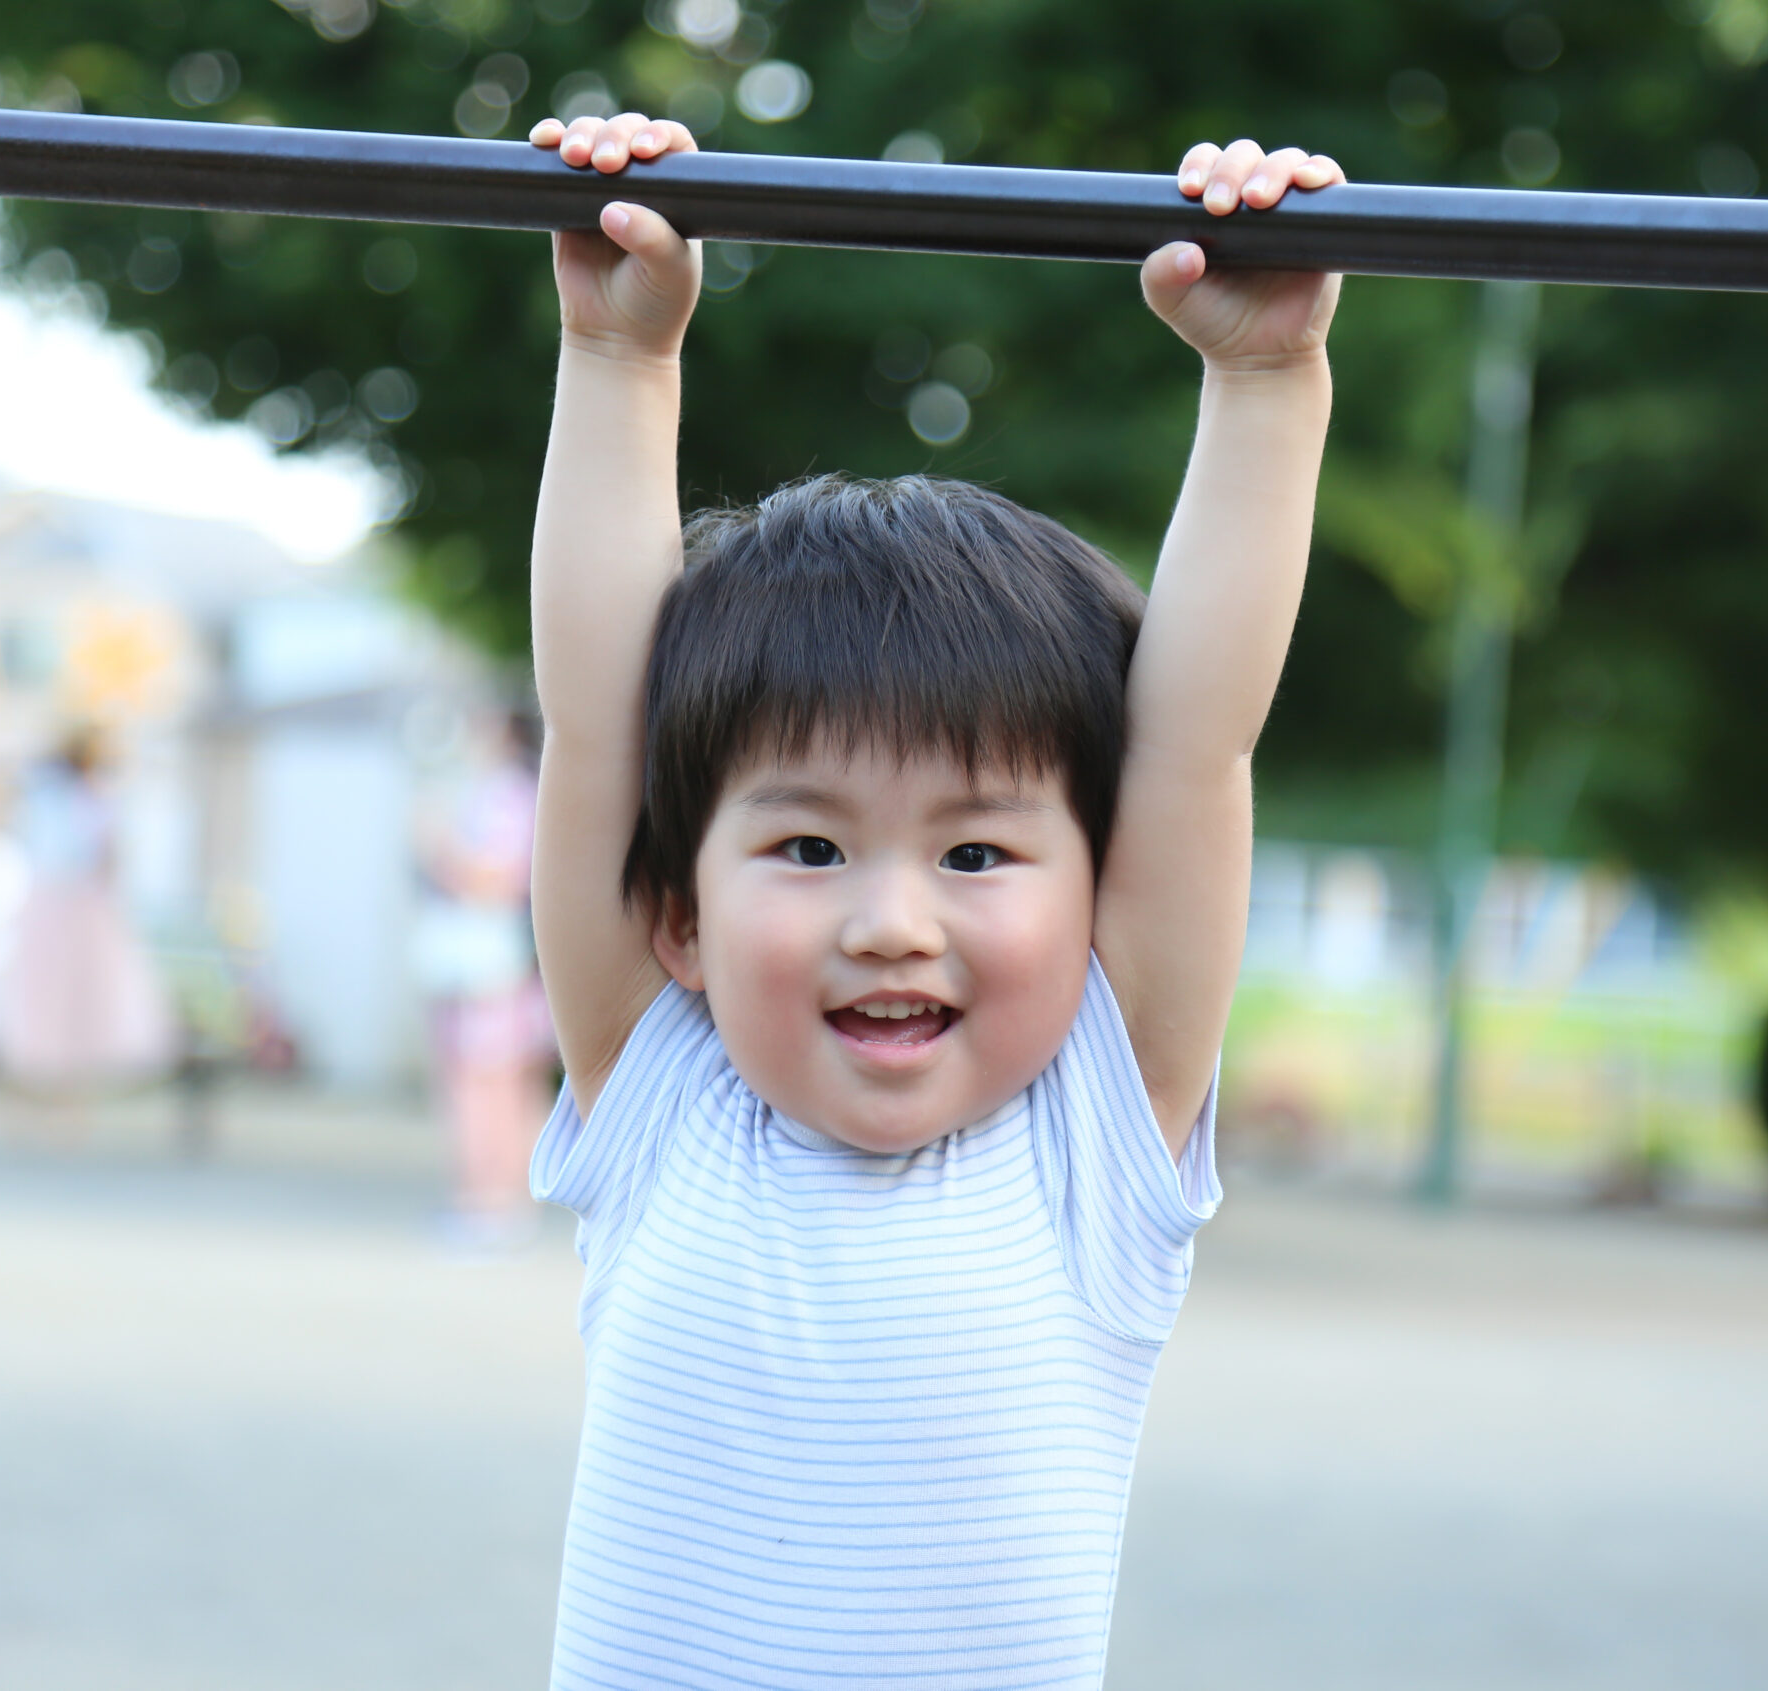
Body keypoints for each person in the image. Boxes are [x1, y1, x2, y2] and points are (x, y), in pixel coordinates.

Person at [522, 110, 1343, 1690]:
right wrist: (619, 361)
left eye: (975, 854)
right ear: (676, 913)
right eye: (809, 849)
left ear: (1102, 898)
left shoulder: (1101, 1124)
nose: (891, 919)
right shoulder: (661, 1081)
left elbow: (1192, 744)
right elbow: (600, 723)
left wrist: (1263, 384)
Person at [0, 728, 176, 1135]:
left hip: (71, 908)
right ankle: (44, 1102)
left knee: (67, 1009)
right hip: (66, 907)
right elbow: (98, 855)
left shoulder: (66, 796)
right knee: (54, 1006)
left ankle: (60, 1104)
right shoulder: (62, 796)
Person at [411, 709, 551, 1248]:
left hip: (490, 961)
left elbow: (494, 878)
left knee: (486, 1082)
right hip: (494, 959)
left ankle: (491, 1200)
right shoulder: (514, 791)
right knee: (497, 1081)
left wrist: (440, 845)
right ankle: (495, 1200)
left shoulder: (508, 795)